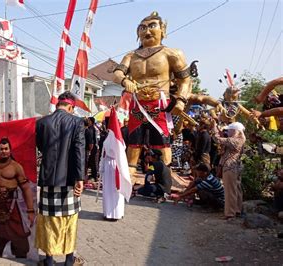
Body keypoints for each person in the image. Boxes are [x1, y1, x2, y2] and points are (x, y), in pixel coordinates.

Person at [113, 12, 193, 184]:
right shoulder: (131, 56)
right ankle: (131, 173)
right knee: (134, 139)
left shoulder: (172, 54)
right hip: (138, 103)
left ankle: (164, 175)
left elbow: (185, 80)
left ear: (162, 30)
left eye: (152, 26)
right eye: (142, 28)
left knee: (162, 140)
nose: (147, 31)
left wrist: (181, 100)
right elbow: (117, 73)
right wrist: (124, 80)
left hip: (160, 103)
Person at [35, 91, 85, 266]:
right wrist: (80, 178)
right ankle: (69, 260)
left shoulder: (42, 123)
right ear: (71, 106)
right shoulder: (77, 122)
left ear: (58, 105)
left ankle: (48, 260)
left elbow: (42, 147)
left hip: (48, 178)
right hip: (70, 179)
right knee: (69, 220)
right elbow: (79, 151)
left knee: (49, 219)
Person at [0, 137, 35, 258]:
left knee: (19, 240)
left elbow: (26, 188)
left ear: (10, 150)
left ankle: (21, 260)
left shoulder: (16, 167)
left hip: (11, 206)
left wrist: (30, 210)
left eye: (6, 148)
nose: (4, 151)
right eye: (1, 149)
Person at [210, 121, 246, 219]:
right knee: (236, 190)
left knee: (230, 191)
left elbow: (216, 139)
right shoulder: (240, 139)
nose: (228, 132)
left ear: (235, 131)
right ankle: (237, 210)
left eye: (230, 130)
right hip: (236, 167)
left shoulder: (235, 140)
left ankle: (230, 213)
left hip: (230, 167)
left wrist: (214, 128)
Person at [85, 117, 98, 181]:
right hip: (93, 148)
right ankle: (93, 175)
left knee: (92, 162)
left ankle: (94, 176)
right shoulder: (92, 128)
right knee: (92, 162)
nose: (88, 121)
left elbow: (91, 141)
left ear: (91, 121)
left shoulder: (90, 129)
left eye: (89, 120)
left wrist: (90, 150)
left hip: (92, 148)